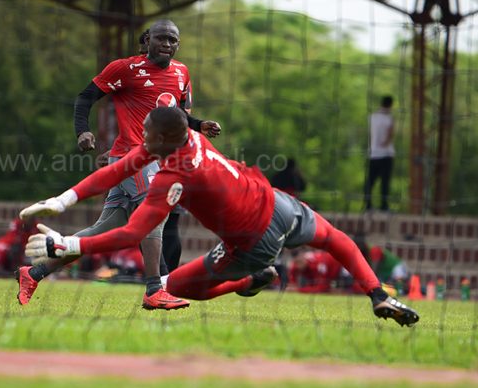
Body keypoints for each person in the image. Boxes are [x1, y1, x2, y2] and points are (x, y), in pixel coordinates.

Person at [21, 107, 420, 327]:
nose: (142, 136)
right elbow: (118, 170)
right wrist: (62, 200)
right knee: (335, 238)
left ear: (160, 138)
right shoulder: (186, 137)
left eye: (146, 132)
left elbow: (134, 232)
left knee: (170, 288)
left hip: (252, 242)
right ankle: (379, 295)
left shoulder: (174, 176)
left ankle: (251, 278)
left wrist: (68, 243)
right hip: (277, 202)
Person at [16, 19, 221, 310]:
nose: (167, 44)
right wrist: (82, 131)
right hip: (130, 157)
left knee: (100, 231)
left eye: (173, 40)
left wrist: (199, 125)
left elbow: (175, 114)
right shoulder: (126, 69)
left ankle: (33, 273)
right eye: (161, 38)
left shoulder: (182, 72)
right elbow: (85, 97)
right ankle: (154, 290)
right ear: (148, 40)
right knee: (155, 214)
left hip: (155, 160)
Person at [364, 95, 395, 211]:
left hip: (373, 153)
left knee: (370, 181)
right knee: (385, 181)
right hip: (386, 154)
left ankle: (368, 204)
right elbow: (390, 135)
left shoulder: (372, 117)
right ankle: (384, 205)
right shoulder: (389, 118)